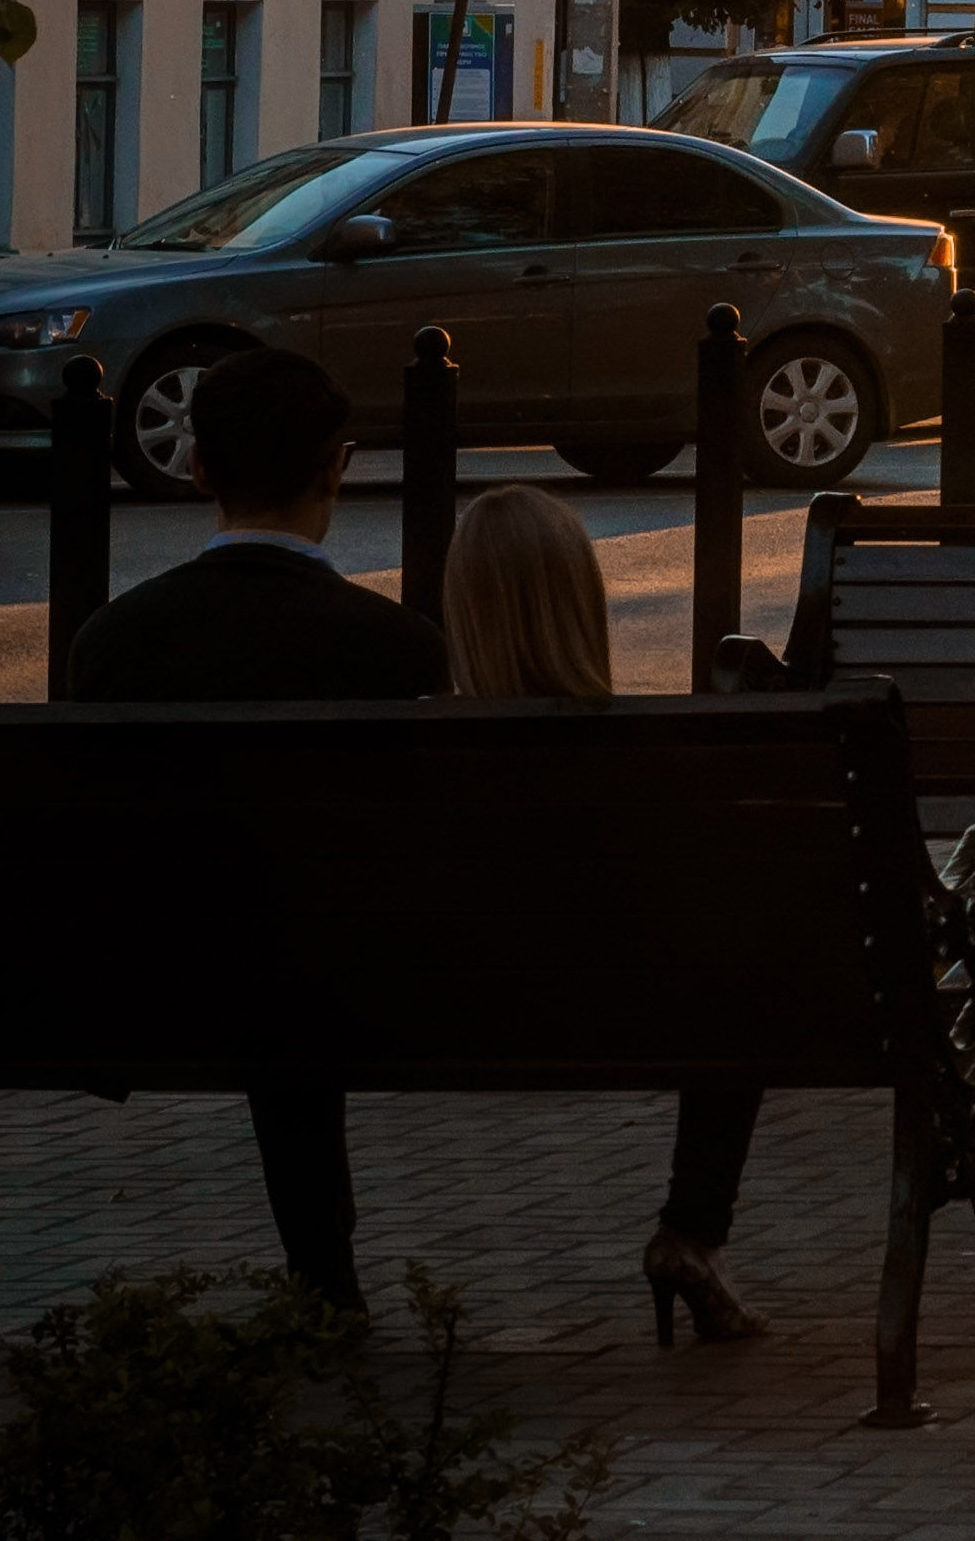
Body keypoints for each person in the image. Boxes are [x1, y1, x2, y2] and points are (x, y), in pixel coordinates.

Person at [60, 345, 450, 1311]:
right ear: (338, 466)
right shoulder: (397, 646)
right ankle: (325, 1279)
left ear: (198, 470)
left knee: (260, 939)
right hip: (360, 984)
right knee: (298, 944)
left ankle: (322, 1282)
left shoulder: (112, 642)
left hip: (147, 986)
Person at [431, 485, 775, 1347]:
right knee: (742, 988)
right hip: (643, 1019)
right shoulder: (658, 752)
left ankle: (323, 1283)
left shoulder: (416, 749)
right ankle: (692, 1231)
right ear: (585, 599)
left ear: (460, 608)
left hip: (435, 1020)